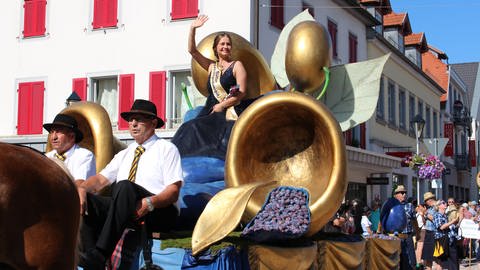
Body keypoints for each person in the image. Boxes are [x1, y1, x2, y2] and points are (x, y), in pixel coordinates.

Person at [77, 99, 184, 269]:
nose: (133, 124)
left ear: (153, 123)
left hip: (159, 210)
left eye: (139, 119)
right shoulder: (125, 153)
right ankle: (90, 257)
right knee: (89, 201)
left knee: (125, 186)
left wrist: (150, 203)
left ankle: (101, 253)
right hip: (126, 206)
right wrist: (81, 188)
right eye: (131, 120)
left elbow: (173, 191)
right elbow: (100, 180)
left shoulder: (167, 149)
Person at [171, 15, 255, 160]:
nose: (225, 47)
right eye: (222, 44)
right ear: (216, 48)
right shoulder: (211, 67)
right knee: (187, 128)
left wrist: (222, 105)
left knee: (195, 128)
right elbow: (192, 51)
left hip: (229, 109)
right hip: (209, 109)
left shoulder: (237, 65)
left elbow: (241, 92)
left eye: (228, 44)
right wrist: (192, 28)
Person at [43, 113, 96, 181]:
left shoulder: (84, 156)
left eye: (59, 132)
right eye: (52, 132)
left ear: (72, 136)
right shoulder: (47, 157)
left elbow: (79, 186)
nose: (54, 137)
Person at [432, 199, 461, 270]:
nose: (445, 204)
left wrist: (459, 219)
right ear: (439, 206)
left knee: (453, 261)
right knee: (445, 262)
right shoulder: (437, 215)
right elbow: (441, 227)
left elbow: (451, 226)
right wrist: (452, 221)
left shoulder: (445, 215)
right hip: (443, 241)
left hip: (449, 240)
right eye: (443, 203)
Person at [393, 185, 417, 269]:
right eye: (402, 193)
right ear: (396, 195)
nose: (404, 195)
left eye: (405, 193)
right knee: (398, 258)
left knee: (410, 258)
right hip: (396, 236)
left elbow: (414, 220)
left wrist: (417, 233)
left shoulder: (410, 205)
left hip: (408, 235)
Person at [422, 192, 437, 270]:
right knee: (427, 256)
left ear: (429, 200)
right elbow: (425, 222)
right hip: (428, 232)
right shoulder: (429, 208)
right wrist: (422, 215)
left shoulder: (436, 207)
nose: (425, 203)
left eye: (426, 201)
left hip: (433, 233)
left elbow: (435, 219)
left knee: (433, 257)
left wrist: (426, 213)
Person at [415, 203, 427, 269]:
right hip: (419, 231)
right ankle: (418, 263)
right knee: (419, 247)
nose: (418, 207)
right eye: (418, 206)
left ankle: (421, 263)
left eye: (419, 206)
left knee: (421, 247)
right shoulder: (417, 214)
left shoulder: (425, 214)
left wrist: (422, 216)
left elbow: (425, 223)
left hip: (423, 230)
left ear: (424, 207)